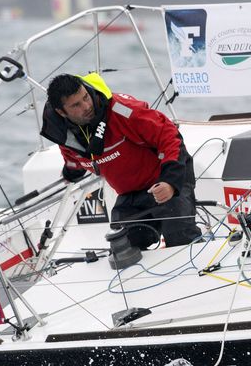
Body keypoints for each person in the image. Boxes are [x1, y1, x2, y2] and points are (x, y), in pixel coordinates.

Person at [41, 73, 201, 248]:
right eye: (76, 105)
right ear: (61, 112)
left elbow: (169, 135)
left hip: (164, 179)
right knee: (122, 247)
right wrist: (70, 173)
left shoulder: (121, 109)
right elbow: (74, 161)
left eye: (86, 97)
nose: (87, 106)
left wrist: (170, 181)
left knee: (181, 239)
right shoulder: (63, 135)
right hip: (131, 194)